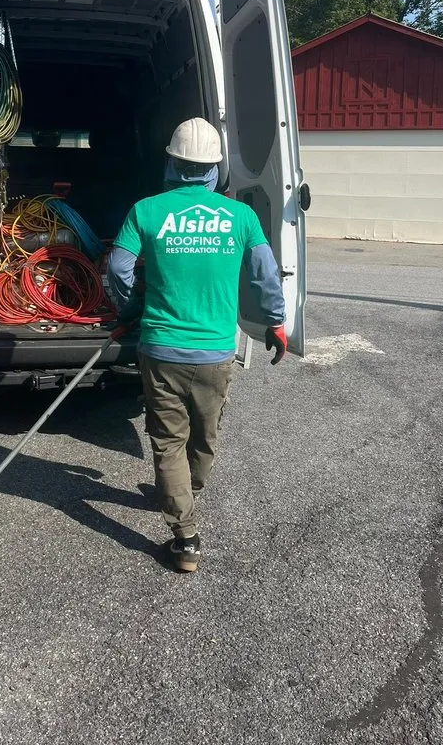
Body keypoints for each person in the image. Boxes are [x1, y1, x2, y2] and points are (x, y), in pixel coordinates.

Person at [108, 117, 288, 573]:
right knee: (205, 434)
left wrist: (129, 311)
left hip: (161, 350)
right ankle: (188, 490)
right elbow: (265, 275)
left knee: (168, 441)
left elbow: (118, 268)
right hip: (215, 353)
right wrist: (275, 322)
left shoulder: (146, 211)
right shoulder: (241, 217)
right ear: (215, 167)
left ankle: (185, 537)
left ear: (171, 162)